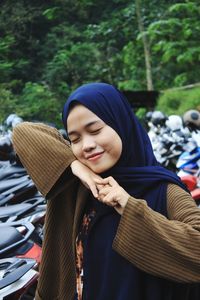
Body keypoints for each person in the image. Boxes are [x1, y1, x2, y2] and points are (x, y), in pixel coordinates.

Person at [12, 83, 200, 300]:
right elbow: (22, 132)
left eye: (95, 130)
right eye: (75, 139)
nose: (87, 145)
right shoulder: (75, 185)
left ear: (121, 124)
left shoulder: (164, 190)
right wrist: (76, 167)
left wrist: (130, 207)